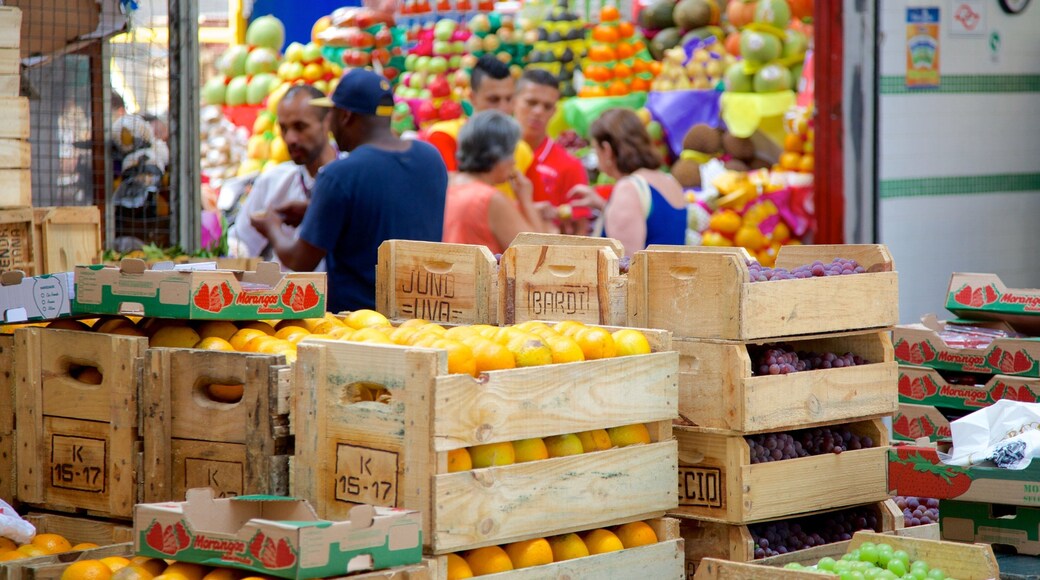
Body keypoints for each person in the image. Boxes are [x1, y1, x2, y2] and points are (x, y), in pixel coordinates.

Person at [251, 69, 447, 312]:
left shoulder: (339, 175)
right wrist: (315, 212)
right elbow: (384, 213)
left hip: (360, 324)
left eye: (332, 114)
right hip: (421, 320)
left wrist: (272, 225)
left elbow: (300, 261)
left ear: (344, 116)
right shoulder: (431, 159)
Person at [229, 85, 339, 269]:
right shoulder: (274, 181)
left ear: (327, 121)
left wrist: (273, 227)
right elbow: (241, 243)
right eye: (283, 128)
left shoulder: (350, 179)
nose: (290, 139)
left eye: (300, 126)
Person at [568, 108, 687, 257]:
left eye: (595, 149)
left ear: (607, 149)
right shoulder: (669, 181)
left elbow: (625, 265)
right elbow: (656, 227)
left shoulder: (629, 189)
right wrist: (602, 205)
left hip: (646, 280)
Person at [423, 55, 541, 201]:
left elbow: (538, 205)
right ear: (472, 98)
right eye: (493, 100)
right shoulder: (445, 136)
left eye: (509, 99)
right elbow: (450, 199)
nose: (503, 108)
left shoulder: (523, 151)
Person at [443, 111, 553, 254]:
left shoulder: (448, 183)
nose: (514, 161)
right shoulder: (490, 199)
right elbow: (536, 256)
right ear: (497, 154)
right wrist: (526, 201)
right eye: (512, 153)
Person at [513, 68, 592, 234]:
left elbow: (580, 232)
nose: (538, 111)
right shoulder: (493, 155)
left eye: (547, 106)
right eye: (531, 102)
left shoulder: (570, 166)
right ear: (514, 100)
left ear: (554, 112)